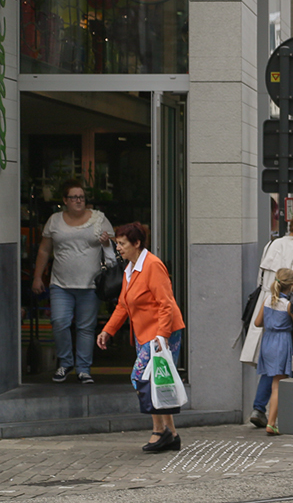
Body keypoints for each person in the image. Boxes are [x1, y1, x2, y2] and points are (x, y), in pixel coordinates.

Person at [96, 222, 186, 453]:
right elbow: (123, 305)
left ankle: (160, 431)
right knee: (156, 381)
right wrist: (108, 330)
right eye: (117, 243)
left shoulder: (152, 265)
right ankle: (171, 434)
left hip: (161, 332)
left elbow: (166, 303)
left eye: (122, 243)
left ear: (136, 243)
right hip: (145, 333)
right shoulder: (131, 268)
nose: (118, 248)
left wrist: (162, 336)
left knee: (141, 378)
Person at [31, 179, 113, 384]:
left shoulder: (99, 219)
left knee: (86, 328)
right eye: (74, 197)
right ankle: (66, 363)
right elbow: (44, 250)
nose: (78, 200)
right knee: (59, 322)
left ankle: (83, 369)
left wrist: (107, 242)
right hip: (60, 284)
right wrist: (37, 277)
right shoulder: (54, 220)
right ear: (65, 200)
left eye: (81, 197)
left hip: (90, 284)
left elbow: (114, 247)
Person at [241, 211, 293, 428]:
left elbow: (261, 279)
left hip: (267, 303)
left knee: (270, 368)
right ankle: (289, 412)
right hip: (288, 310)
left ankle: (259, 408)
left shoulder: (272, 244)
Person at [254, 267, 293, 435]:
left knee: (270, 378)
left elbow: (257, 322)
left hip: (267, 341)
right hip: (281, 342)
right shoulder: (288, 304)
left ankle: (269, 418)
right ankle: (271, 423)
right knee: (277, 384)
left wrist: (271, 321)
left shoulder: (268, 300)